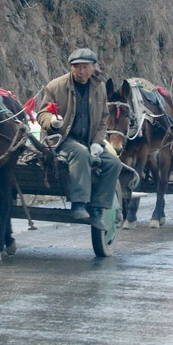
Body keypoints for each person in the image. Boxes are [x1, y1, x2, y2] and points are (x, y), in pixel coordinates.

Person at [36, 48, 124, 230]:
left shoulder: (99, 88)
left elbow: (102, 121)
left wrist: (97, 143)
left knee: (113, 163)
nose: (81, 71)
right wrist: (52, 121)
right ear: (70, 67)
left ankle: (99, 208)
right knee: (81, 153)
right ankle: (79, 203)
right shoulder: (56, 86)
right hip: (60, 140)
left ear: (94, 67)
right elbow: (41, 114)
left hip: (88, 141)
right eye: (76, 67)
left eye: (85, 67)